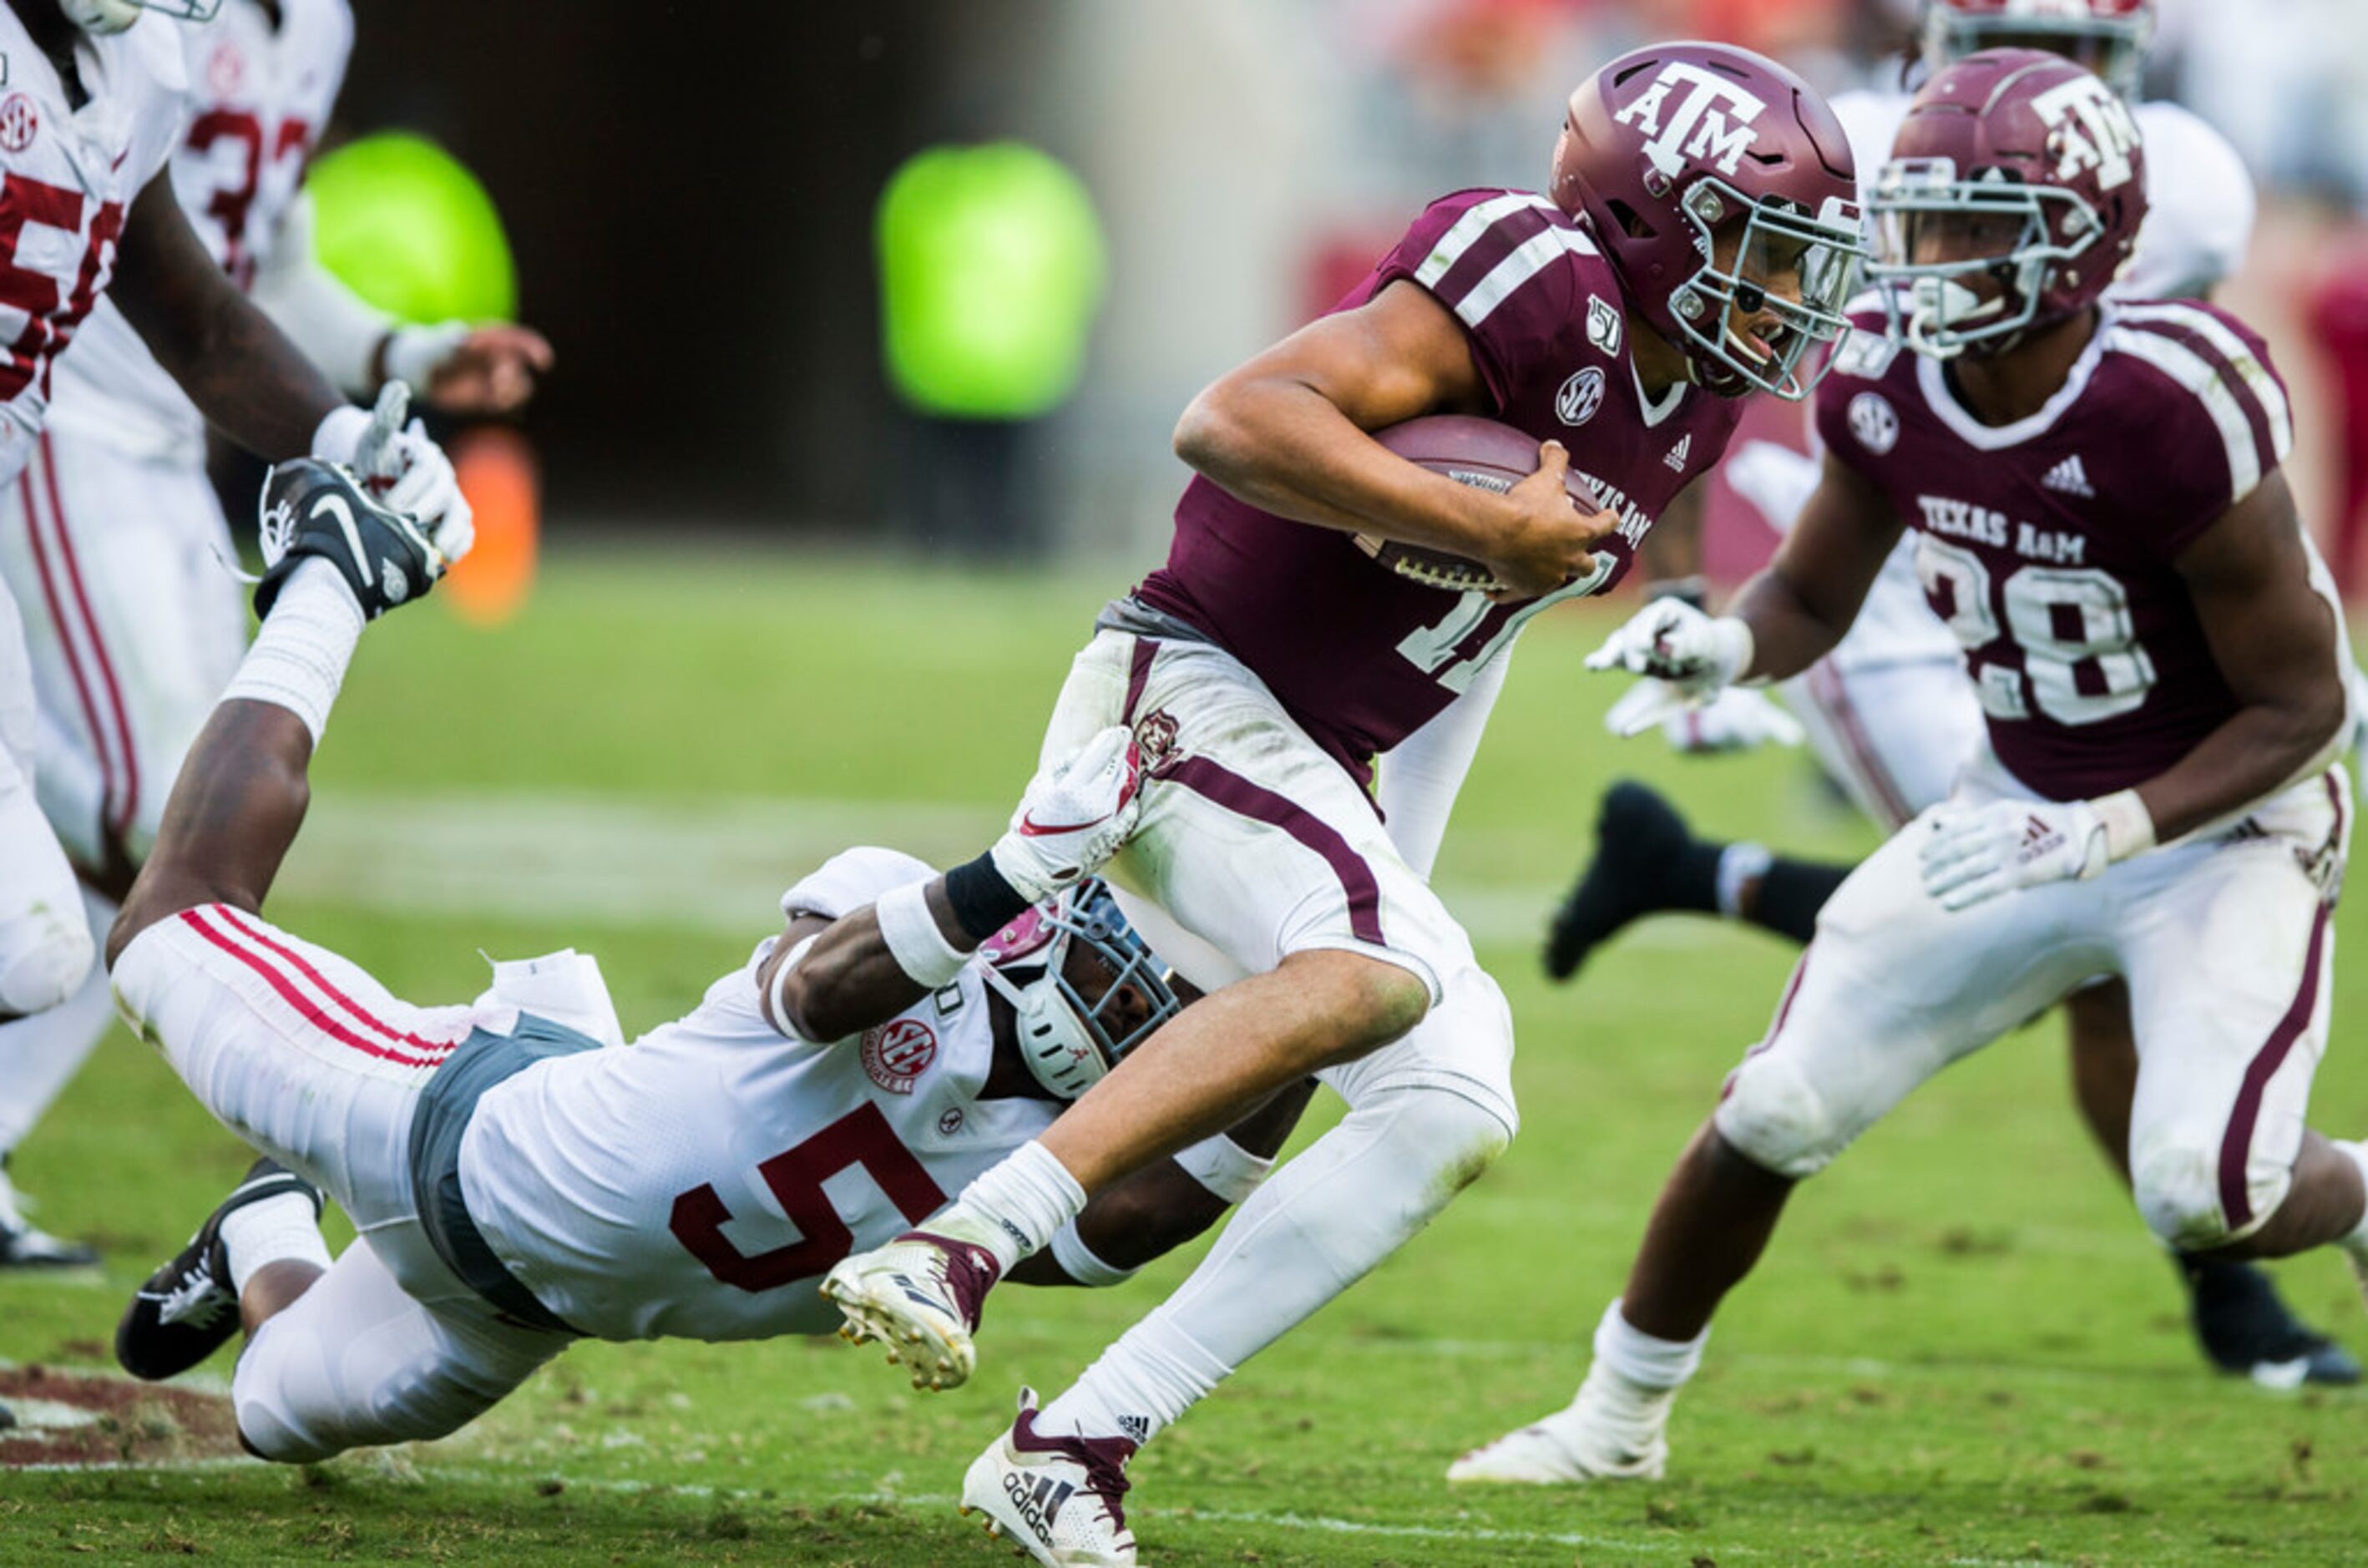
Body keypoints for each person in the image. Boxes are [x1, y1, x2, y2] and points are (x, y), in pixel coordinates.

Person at [815, 40, 1868, 1566]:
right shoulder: (1526, 270)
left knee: (1453, 1098)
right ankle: (962, 1240)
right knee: (1376, 987)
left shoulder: (1689, 380)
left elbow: (1532, 582)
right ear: (1647, 221)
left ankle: (1074, 1444)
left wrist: (1405, 863)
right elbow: (1231, 419)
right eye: (1759, 253)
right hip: (1185, 688)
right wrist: (1473, 526)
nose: (1786, 301)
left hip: (1318, 756)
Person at [1453, 48, 2360, 1487]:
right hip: (2016, 808)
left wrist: (2115, 828)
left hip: (2225, 825)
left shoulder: (2177, 400)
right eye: (1922, 223)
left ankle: (2359, 1194)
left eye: (1975, 229)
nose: (1931, 262)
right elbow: (1810, 597)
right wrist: (1720, 650)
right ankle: (1613, 1421)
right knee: (1775, 1104)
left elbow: (2309, 705)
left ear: (2084, 246)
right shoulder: (1889, 375)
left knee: (2205, 1189)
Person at [105, 458, 1311, 1461]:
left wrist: (1322, 994)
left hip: (519, 1317)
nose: (1126, 989)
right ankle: (336, 565)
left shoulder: (1025, 1174)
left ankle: (261, 1225)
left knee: (270, 1413)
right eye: (1108, 955)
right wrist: (1006, 874)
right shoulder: (908, 916)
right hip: (440, 1124)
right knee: (163, 923)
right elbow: (811, 986)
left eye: (1138, 997)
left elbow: (1152, 1211)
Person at [0, 0, 549, 1268]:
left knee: (47, 937)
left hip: (130, 450)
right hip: (80, 445)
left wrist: (369, 427)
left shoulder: (149, 53)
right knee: (158, 832)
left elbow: (208, 292)